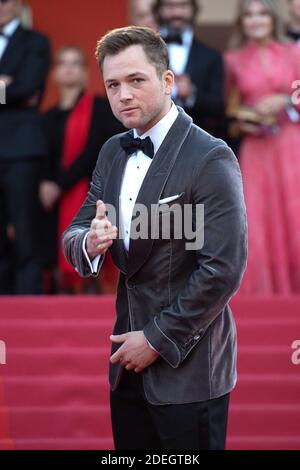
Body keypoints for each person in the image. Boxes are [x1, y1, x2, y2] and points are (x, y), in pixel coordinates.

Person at [62, 26, 247, 450]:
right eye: (113, 85)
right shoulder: (112, 150)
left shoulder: (211, 156)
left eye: (136, 80)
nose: (123, 94)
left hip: (190, 367)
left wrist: (157, 339)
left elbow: (223, 268)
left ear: (167, 82)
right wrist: (89, 245)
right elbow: (75, 228)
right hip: (126, 366)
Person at [225, 0, 300, 295]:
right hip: (255, 148)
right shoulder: (232, 59)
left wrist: (285, 101)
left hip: (291, 144)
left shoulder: (293, 52)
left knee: (294, 215)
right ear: (241, 22)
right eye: (248, 15)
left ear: (272, 19)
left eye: (261, 14)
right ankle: (264, 296)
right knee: (257, 220)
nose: (255, 20)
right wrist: (242, 122)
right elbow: (227, 112)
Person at [40, 46, 124, 294]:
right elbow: (43, 157)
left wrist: (59, 185)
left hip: (90, 194)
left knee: (92, 265)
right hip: (51, 202)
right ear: (54, 73)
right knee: (55, 269)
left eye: (75, 63)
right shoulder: (47, 116)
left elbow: (95, 152)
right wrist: (46, 183)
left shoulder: (100, 107)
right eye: (62, 63)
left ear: (86, 73)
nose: (68, 68)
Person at [0, 0, 50, 294]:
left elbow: (28, 87)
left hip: (21, 149)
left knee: (25, 231)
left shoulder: (36, 41)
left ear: (19, 5)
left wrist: (14, 89)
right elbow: (15, 92)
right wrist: (8, 87)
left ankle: (29, 305)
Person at [152, 0, 225, 137]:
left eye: (183, 5)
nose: (176, 12)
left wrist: (191, 94)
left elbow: (218, 107)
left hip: (195, 141)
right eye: (169, 6)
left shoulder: (211, 56)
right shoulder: (144, 51)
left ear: (193, 9)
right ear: (158, 10)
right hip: (149, 136)